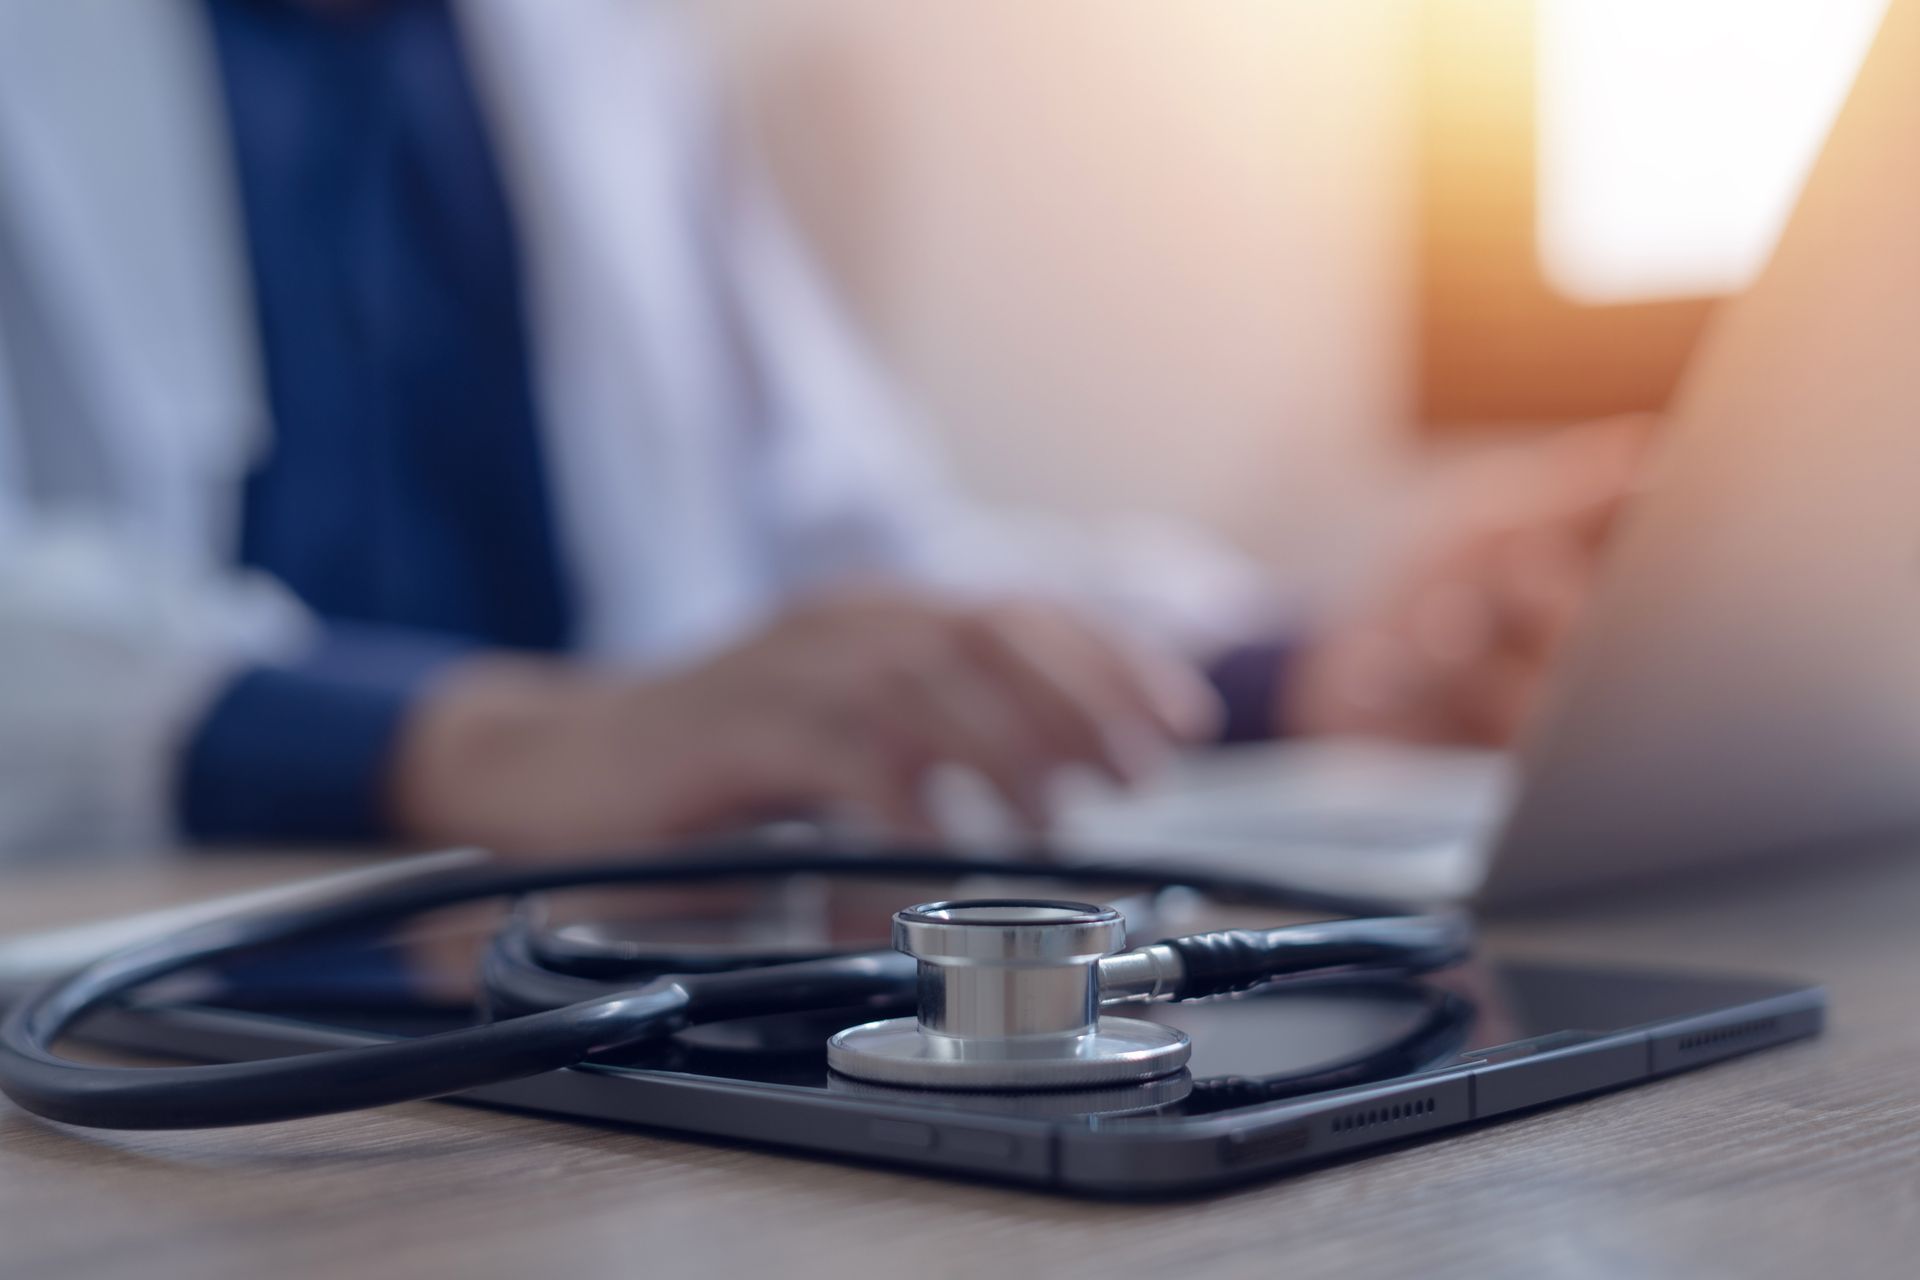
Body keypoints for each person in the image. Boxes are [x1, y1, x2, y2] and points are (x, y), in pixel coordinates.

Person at [0, 0, 1645, 858]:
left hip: (565, 994)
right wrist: (494, 738)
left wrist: (1321, 673)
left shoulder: (603, 57)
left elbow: (861, 566)